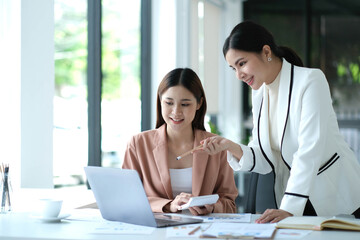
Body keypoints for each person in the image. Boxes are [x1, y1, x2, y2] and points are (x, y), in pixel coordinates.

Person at [196, 20, 360, 222]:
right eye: (233, 68)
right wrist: (230, 147)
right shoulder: (260, 94)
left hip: (336, 198)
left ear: (266, 52)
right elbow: (265, 158)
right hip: (296, 198)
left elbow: (310, 150)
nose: (239, 75)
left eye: (242, 63)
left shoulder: (311, 81)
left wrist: (289, 208)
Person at [122, 68, 238, 215]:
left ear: (199, 103)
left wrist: (213, 207)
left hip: (201, 232)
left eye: (185, 104)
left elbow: (230, 203)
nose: (176, 112)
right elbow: (127, 199)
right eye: (169, 103)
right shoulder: (138, 144)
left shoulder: (216, 147)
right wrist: (168, 205)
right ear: (160, 101)